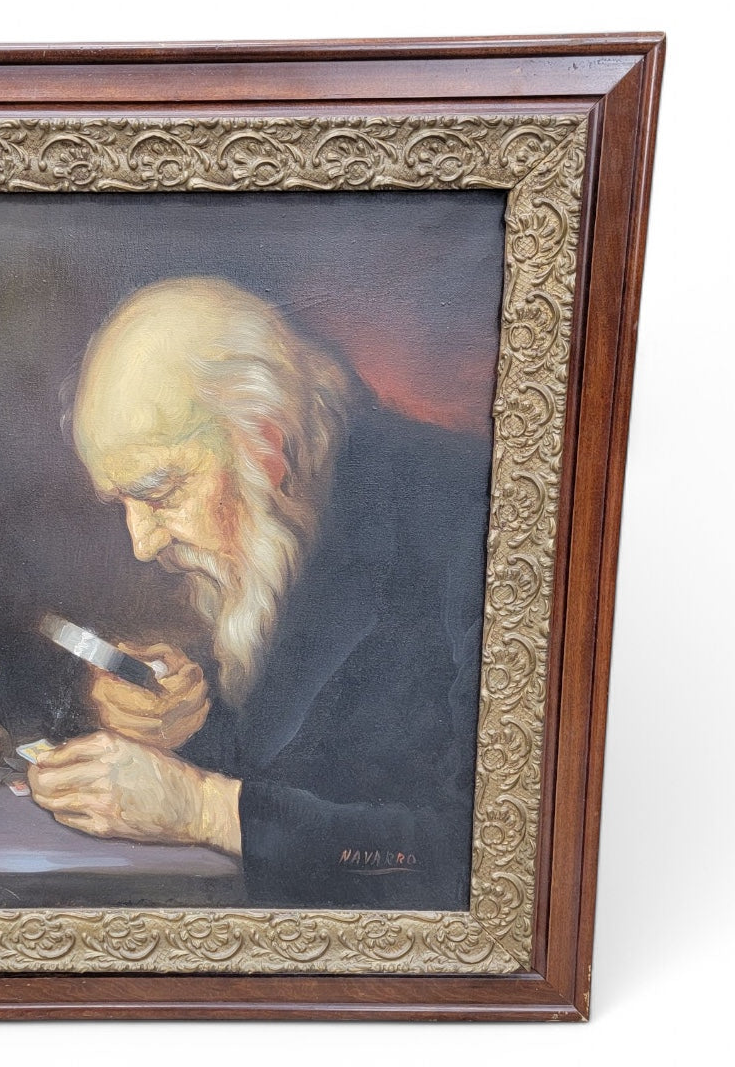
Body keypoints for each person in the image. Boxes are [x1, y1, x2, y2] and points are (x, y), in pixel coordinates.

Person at [27, 276, 490, 908]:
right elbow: (304, 759)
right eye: (123, 504)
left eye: (159, 493)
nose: (142, 544)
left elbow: (467, 854)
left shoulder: (472, 516)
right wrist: (191, 724)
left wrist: (202, 810)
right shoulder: (293, 528)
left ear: (265, 446)